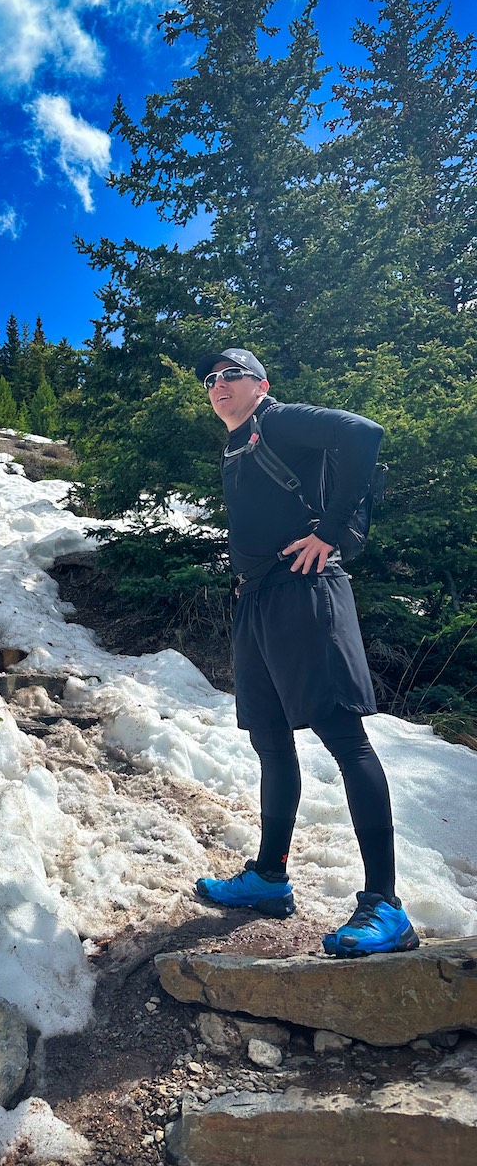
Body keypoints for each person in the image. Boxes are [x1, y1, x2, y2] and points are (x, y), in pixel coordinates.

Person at [192, 347, 419, 958]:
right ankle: (269, 877)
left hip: (307, 593)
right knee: (269, 739)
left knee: (345, 740)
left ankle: (385, 906)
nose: (219, 387)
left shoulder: (280, 419)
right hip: (259, 603)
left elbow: (364, 435)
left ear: (260, 383)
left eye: (230, 376)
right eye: (211, 381)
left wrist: (332, 530)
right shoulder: (236, 446)